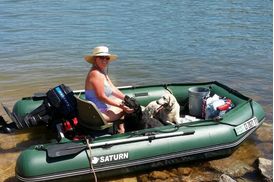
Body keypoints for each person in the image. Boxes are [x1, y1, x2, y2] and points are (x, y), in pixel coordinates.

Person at [84, 46, 133, 133]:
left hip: (98, 109)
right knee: (129, 108)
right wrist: (121, 106)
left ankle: (119, 127)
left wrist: (126, 98)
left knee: (125, 102)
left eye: (107, 58)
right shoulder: (96, 74)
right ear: (95, 59)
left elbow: (113, 89)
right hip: (98, 114)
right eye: (101, 57)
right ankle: (122, 130)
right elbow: (101, 97)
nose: (105, 60)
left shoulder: (101, 72)